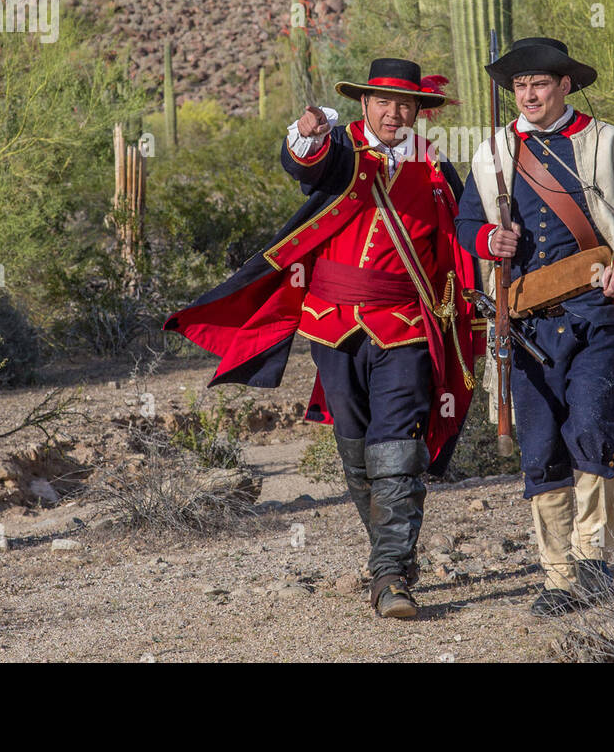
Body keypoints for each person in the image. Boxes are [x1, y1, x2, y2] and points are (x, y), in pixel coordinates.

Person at [164, 58, 480, 619]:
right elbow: (306, 165)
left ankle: (388, 577)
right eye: (383, 101)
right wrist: (305, 136)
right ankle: (392, 554)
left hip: (406, 323)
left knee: (397, 443)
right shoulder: (344, 151)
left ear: (417, 111)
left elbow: (461, 237)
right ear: (365, 104)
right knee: (356, 446)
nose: (393, 112)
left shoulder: (434, 165)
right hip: (331, 322)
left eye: (405, 104)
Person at [454, 37, 614, 617]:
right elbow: (468, 221)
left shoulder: (613, 146)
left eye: (540, 84)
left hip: (598, 314)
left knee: (591, 434)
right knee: (539, 445)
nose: (528, 94)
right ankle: (557, 576)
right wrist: (486, 240)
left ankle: (594, 565)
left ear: (565, 86)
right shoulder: (493, 154)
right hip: (526, 321)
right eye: (520, 86)